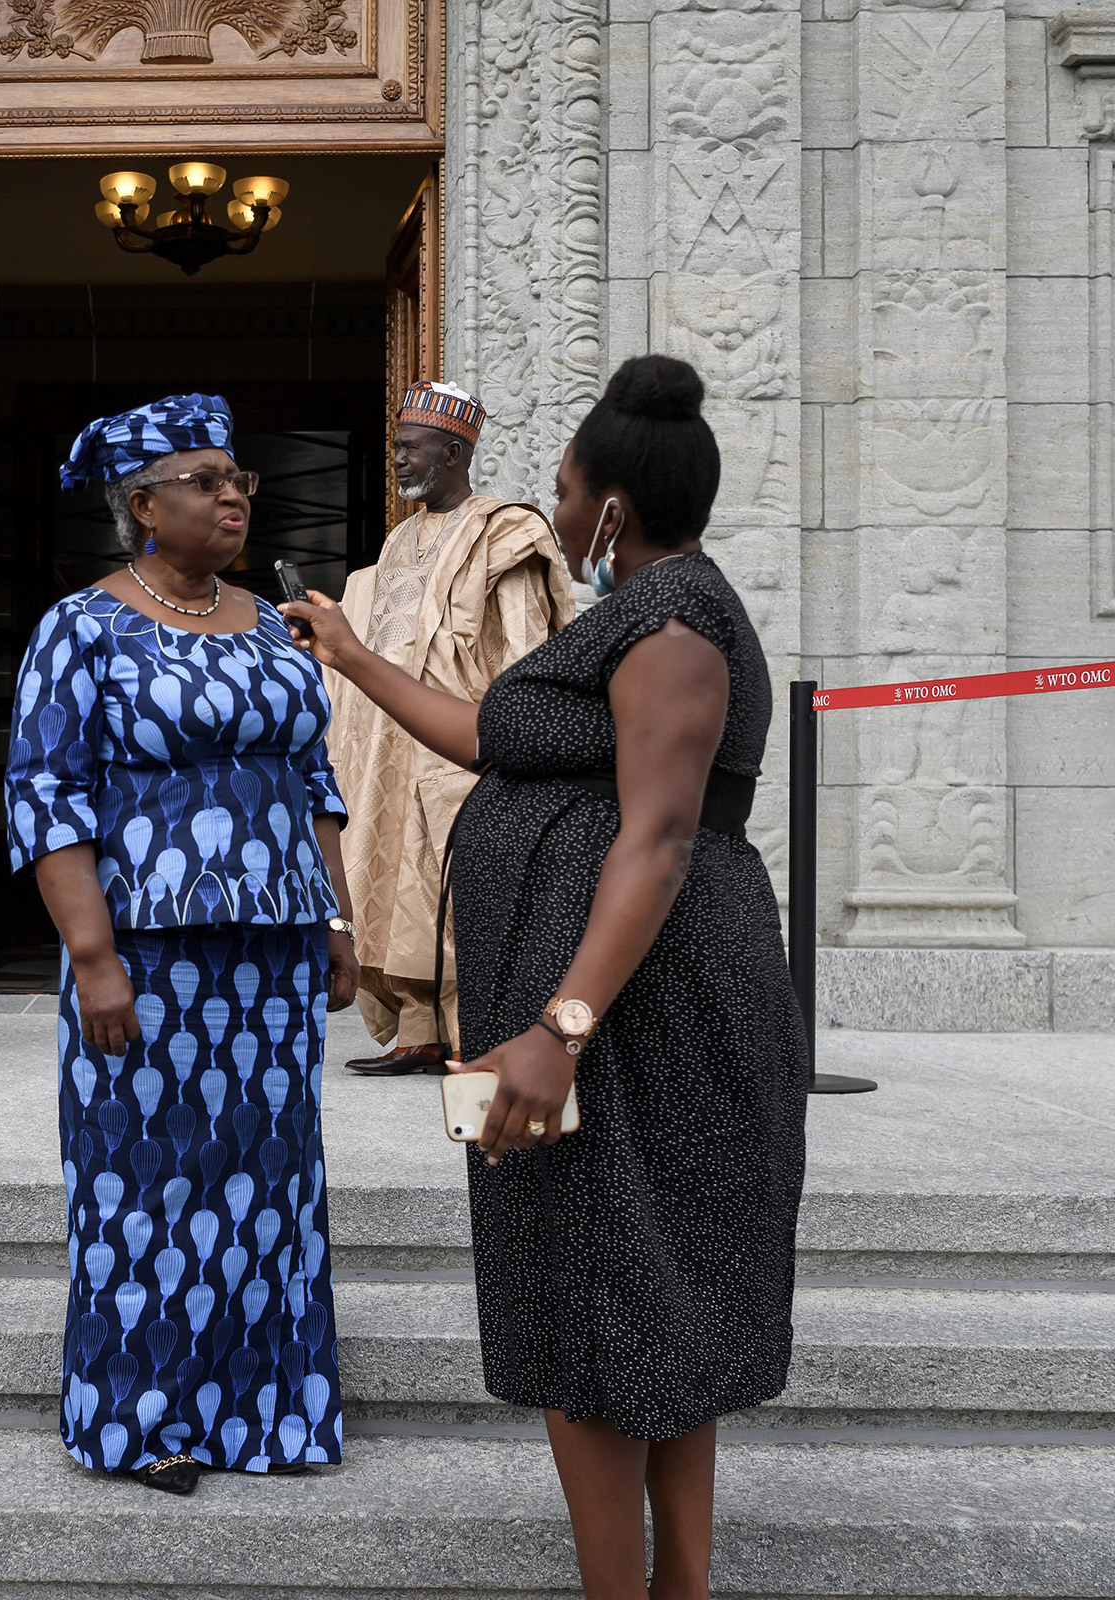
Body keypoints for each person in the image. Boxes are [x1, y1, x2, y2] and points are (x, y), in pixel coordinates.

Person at [287, 356, 805, 1598]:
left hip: (639, 1015)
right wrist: (352, 657)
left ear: (611, 507)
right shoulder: (636, 613)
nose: (553, 511)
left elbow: (658, 839)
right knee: (642, 1303)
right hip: (609, 1004)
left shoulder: (673, 629)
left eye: (566, 491)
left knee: (600, 1308)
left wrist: (559, 1029)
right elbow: (489, 735)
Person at [4, 393, 360, 1498]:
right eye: (204, 480)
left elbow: (313, 780)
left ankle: (267, 1412)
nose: (232, 494)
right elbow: (45, 794)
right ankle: (141, 1417)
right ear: (144, 506)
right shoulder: (82, 628)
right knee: (144, 1179)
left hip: (274, 954)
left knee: (270, 1179)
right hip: (147, 958)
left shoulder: (273, 623)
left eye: (237, 476)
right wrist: (92, 958)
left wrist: (336, 917)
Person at [328, 381, 572, 1075]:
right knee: (391, 885)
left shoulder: (506, 530)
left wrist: (517, 735)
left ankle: (476, 1031)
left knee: (456, 890)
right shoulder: (399, 538)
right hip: (386, 748)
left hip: (459, 747)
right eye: (396, 448)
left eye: (411, 448)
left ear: (454, 452)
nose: (398, 460)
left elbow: (526, 646)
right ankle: (419, 1030)